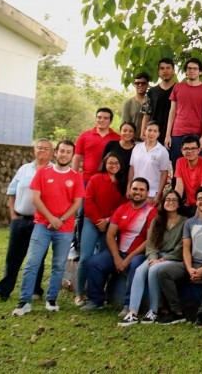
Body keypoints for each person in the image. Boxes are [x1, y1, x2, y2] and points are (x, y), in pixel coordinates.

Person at [13, 140, 85, 316]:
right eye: (61, 151)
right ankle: (24, 301)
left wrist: (61, 219)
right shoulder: (43, 173)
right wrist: (51, 218)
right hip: (42, 226)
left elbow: (77, 203)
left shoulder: (76, 177)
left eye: (68, 152)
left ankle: (51, 299)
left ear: (72, 155)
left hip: (65, 228)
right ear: (56, 153)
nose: (64, 154)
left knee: (58, 265)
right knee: (32, 263)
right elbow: (35, 198)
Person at [0, 139, 52, 303]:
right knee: (13, 256)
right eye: (39, 148)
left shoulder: (54, 171)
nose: (41, 151)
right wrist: (13, 216)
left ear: (52, 152)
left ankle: (36, 290)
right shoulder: (24, 169)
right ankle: (3, 290)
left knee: (37, 258)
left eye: (46, 149)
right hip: (20, 219)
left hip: (40, 222)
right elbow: (11, 192)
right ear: (34, 150)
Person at [81, 178, 157, 314]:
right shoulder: (122, 209)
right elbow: (110, 235)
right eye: (135, 189)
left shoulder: (152, 212)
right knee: (93, 263)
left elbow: (150, 240)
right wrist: (117, 257)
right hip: (119, 252)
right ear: (129, 191)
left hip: (138, 254)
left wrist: (127, 260)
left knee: (135, 267)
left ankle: (128, 305)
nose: (137, 192)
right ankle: (96, 301)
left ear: (147, 193)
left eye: (141, 190)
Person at [157, 185, 202, 326]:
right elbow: (186, 248)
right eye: (200, 199)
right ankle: (177, 312)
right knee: (164, 272)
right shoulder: (190, 223)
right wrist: (190, 268)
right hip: (192, 263)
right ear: (196, 202)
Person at [118, 189, 186, 326]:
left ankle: (153, 311)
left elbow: (182, 247)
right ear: (163, 203)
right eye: (168, 200)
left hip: (173, 258)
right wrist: (153, 258)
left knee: (154, 270)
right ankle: (133, 312)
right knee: (139, 270)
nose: (170, 203)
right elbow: (151, 244)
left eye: (174, 200)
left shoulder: (185, 222)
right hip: (156, 256)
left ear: (179, 204)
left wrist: (162, 260)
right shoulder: (157, 220)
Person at [74, 153, 129, 307]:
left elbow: (122, 206)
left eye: (116, 163)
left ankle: (99, 292)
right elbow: (89, 201)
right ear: (104, 164)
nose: (113, 166)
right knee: (85, 257)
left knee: (102, 260)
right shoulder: (96, 179)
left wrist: (109, 221)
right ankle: (79, 293)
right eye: (110, 163)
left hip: (111, 225)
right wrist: (99, 221)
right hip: (92, 221)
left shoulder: (122, 183)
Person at [72, 108, 121, 250]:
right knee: (83, 212)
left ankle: (101, 244)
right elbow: (77, 156)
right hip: (86, 179)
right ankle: (80, 243)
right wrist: (75, 177)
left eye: (105, 118)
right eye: (99, 117)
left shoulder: (116, 138)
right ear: (96, 118)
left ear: (110, 121)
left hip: (107, 180)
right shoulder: (85, 135)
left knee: (105, 212)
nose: (102, 120)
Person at [165, 57, 202, 166]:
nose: (191, 71)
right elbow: (172, 112)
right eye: (189, 68)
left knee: (196, 169)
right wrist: (168, 134)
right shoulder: (177, 87)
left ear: (200, 72)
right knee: (178, 167)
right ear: (186, 71)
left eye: (195, 69)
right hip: (178, 133)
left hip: (197, 134)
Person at [128, 121, 171, 206]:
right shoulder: (137, 147)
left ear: (158, 134)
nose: (151, 133)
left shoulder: (162, 151)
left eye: (155, 131)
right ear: (145, 131)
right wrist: (129, 187)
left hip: (152, 192)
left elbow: (164, 174)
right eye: (149, 130)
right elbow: (132, 168)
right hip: (136, 190)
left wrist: (159, 194)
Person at [174, 135, 202, 216]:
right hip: (189, 204)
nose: (190, 151)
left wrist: (197, 214)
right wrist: (175, 204)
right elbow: (179, 187)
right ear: (182, 150)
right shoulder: (180, 162)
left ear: (199, 150)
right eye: (186, 149)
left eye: (193, 148)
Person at [141, 58, 177, 145]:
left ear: (173, 70)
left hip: (174, 133)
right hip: (154, 133)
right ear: (158, 72)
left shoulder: (179, 89)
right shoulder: (151, 91)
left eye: (168, 68)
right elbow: (146, 113)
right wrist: (143, 131)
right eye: (162, 68)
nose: (165, 71)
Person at [101, 122, 137, 187]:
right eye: (124, 130)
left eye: (130, 131)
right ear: (120, 132)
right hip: (108, 182)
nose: (127, 133)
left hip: (125, 185)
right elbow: (103, 164)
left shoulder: (136, 149)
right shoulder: (111, 144)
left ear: (134, 134)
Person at [122, 73, 150, 138]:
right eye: (137, 83)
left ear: (147, 85)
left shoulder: (152, 102)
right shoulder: (128, 103)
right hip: (133, 140)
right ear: (134, 85)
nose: (140, 85)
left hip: (149, 139)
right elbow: (125, 124)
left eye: (143, 83)